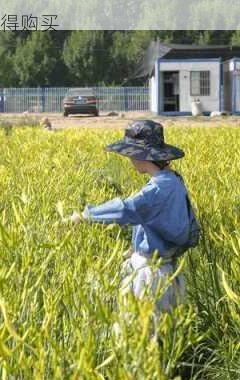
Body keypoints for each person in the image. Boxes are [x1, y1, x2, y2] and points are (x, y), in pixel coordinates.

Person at [65, 120, 199, 317]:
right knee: (160, 334)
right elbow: (159, 221)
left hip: (152, 276)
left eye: (130, 154)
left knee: (142, 333)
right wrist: (136, 247)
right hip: (168, 268)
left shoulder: (158, 188)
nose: (129, 160)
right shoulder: (173, 179)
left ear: (141, 155)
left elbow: (127, 209)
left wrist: (85, 216)